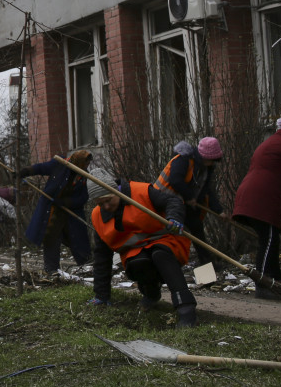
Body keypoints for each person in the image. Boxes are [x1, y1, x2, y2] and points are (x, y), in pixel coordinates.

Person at [88, 168, 196, 327]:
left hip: (166, 241)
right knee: (137, 263)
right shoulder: (98, 217)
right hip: (136, 253)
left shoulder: (142, 192)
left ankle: (186, 309)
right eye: (100, 203)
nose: (106, 206)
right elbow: (102, 258)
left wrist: (174, 217)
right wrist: (101, 295)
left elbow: (172, 201)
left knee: (160, 254)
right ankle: (152, 293)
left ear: (115, 191)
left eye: (108, 200)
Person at [232, 116, 281, 300]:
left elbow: (275, 174)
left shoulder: (270, 143)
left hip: (254, 196)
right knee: (268, 240)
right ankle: (263, 284)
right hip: (262, 199)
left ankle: (275, 280)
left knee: (270, 238)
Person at [153, 138, 227, 267]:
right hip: (165, 201)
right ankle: (169, 265)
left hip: (183, 203)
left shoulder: (205, 168)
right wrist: (190, 197)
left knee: (197, 229)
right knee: (173, 234)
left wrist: (219, 210)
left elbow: (206, 191)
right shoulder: (183, 160)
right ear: (203, 156)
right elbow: (176, 181)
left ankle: (207, 264)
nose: (212, 163)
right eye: (210, 160)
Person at [19, 150, 91, 273]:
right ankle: (51, 270)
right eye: (84, 163)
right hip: (51, 211)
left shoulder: (84, 177)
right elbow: (41, 168)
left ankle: (87, 266)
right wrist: (25, 171)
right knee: (52, 238)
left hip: (70, 213)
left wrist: (66, 202)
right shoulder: (60, 165)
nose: (86, 166)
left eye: (87, 164)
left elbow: (83, 197)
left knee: (78, 240)